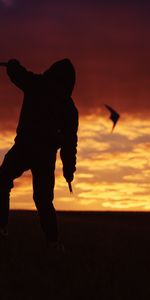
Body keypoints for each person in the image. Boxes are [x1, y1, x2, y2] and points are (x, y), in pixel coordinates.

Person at [0, 58, 78, 249]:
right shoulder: (69, 108)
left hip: (25, 147)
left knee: (2, 180)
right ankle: (53, 242)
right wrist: (68, 171)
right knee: (43, 200)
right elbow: (69, 145)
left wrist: (13, 65)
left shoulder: (37, 84)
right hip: (44, 155)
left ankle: (1, 229)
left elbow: (18, 75)